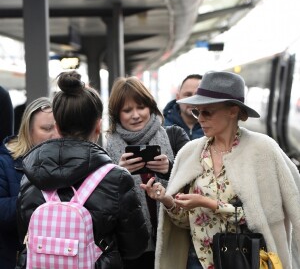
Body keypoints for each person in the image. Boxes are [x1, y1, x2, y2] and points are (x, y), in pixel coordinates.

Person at [141, 71, 300, 269]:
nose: (200, 119)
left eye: (207, 112)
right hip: (196, 262)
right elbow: (186, 223)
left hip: (246, 261)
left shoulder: (263, 150)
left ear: (233, 111)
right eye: (196, 112)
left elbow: (267, 217)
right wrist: (168, 201)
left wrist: (210, 204)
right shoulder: (190, 153)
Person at [16, 71, 149, 269]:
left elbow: (23, 235)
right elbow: (135, 247)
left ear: (58, 127)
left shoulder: (30, 175)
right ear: (98, 126)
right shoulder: (116, 178)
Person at [105, 76, 189, 269]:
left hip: (171, 238)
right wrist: (117, 173)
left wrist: (169, 169)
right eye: (127, 110)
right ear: (117, 114)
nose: (135, 115)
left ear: (150, 107)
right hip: (129, 247)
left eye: (141, 107)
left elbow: (194, 181)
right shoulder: (106, 148)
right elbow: (103, 203)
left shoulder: (174, 136)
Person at [0, 97, 58, 269]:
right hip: (15, 258)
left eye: (58, 128)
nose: (54, 134)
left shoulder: (71, 161)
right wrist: (37, 196)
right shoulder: (5, 162)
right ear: (28, 131)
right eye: (47, 128)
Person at [163, 74, 204, 140]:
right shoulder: (162, 128)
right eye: (188, 95)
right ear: (178, 97)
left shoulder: (216, 128)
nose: (192, 100)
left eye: (198, 95)